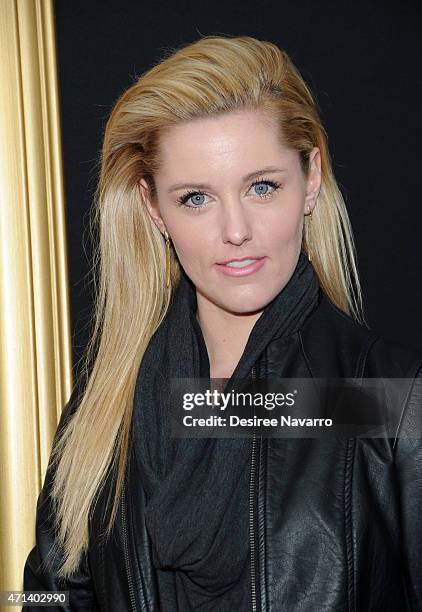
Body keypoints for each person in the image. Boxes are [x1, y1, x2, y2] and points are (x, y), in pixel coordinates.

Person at [23, 35, 422, 611]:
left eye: (262, 187)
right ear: (153, 208)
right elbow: (44, 598)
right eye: (195, 198)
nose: (235, 229)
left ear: (310, 179)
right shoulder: (107, 408)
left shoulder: (389, 399)